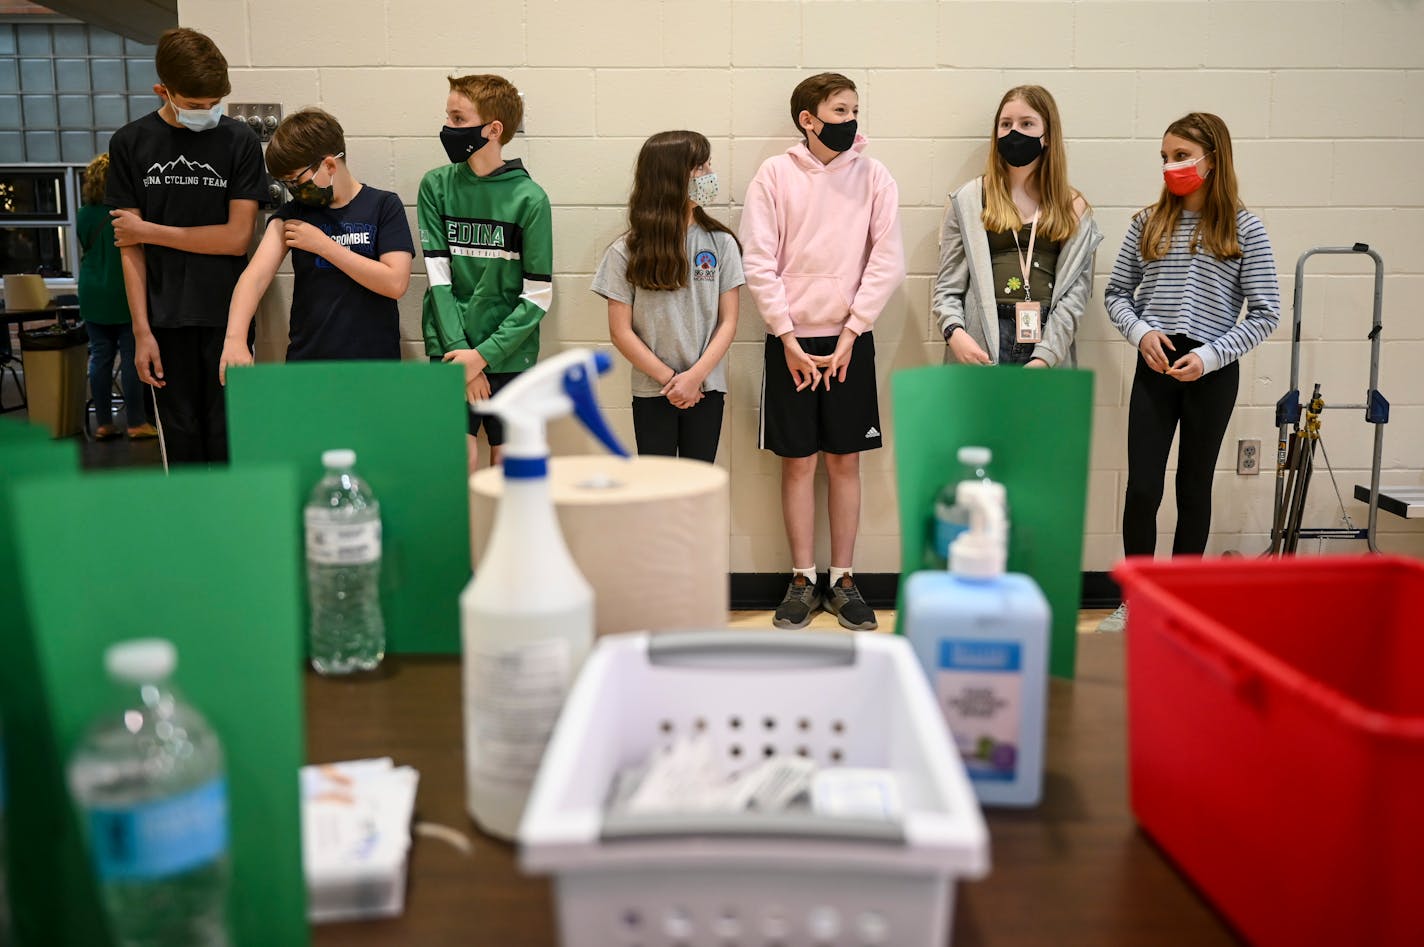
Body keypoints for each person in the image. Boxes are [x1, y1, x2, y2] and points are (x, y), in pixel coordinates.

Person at [1098, 112, 1280, 632]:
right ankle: (1135, 600)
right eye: (1164, 157)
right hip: (1155, 363)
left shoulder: (1244, 227)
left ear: (1212, 159)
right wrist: (1142, 334)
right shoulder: (1146, 224)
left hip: (1211, 369)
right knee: (1143, 487)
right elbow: (1116, 295)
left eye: (1181, 156)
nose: (1171, 166)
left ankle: (1181, 605)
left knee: (1194, 486)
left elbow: (1266, 310)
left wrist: (1212, 356)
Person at [740, 72, 905, 631]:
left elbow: (886, 261)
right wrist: (787, 336)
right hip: (789, 344)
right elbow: (758, 261)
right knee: (798, 463)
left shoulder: (875, 177)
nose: (850, 120)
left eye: (855, 109)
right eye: (839, 110)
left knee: (844, 461)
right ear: (808, 120)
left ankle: (844, 579)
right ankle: (802, 579)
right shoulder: (774, 175)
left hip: (849, 341)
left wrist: (852, 334)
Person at [105, 26, 265, 464]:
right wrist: (141, 332)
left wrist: (151, 231)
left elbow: (236, 239)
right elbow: (129, 249)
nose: (208, 112)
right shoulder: (130, 144)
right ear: (163, 91)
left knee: (229, 440)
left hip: (225, 317)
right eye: (197, 105)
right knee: (181, 446)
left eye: (215, 104)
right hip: (163, 320)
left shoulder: (240, 141)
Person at [218, 108, 413, 383]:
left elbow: (395, 283)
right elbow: (254, 278)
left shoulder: (383, 206)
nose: (292, 190)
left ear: (330, 166)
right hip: (308, 366)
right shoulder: (293, 214)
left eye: (296, 181)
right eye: (285, 183)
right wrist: (235, 338)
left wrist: (324, 246)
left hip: (375, 365)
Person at [418, 74, 552, 471]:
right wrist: (462, 357)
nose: (448, 129)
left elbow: (537, 296)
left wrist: (482, 358)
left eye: (459, 119)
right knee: (453, 464)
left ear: (493, 130)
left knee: (507, 469)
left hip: (508, 357)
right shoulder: (435, 186)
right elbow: (439, 279)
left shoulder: (531, 199)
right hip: (450, 350)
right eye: (448, 117)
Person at [593, 131, 742, 463]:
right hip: (652, 390)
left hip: (706, 388)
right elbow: (620, 331)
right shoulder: (625, 251)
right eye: (701, 166)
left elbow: (728, 321)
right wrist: (672, 381)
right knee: (656, 491)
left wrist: (694, 377)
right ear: (674, 175)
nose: (710, 174)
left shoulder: (722, 243)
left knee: (697, 491)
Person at [933, 85, 1101, 367]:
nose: (1014, 132)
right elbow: (947, 287)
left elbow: (1076, 295)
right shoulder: (969, 200)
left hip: (1047, 340)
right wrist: (955, 332)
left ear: (1047, 136)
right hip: (982, 341)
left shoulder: (1073, 206)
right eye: (1006, 124)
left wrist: (1045, 358)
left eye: (1027, 124)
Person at [77, 153, 156, 440]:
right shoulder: (126, 214)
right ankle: (136, 422)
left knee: (99, 358)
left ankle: (103, 423)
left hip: (91, 292)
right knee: (132, 357)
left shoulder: (84, 213)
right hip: (122, 292)